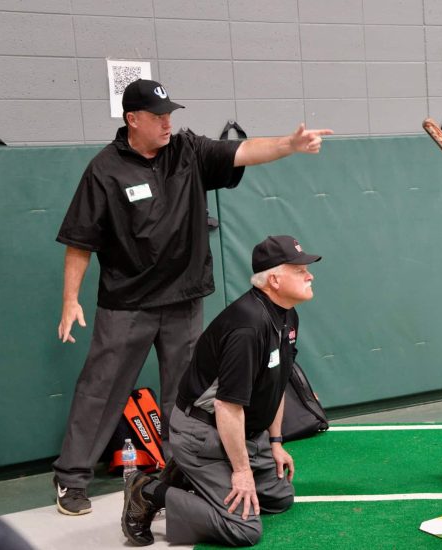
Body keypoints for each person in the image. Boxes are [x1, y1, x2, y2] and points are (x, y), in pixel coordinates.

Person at [53, 78, 333, 516]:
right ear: (132, 119)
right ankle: (71, 481)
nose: (168, 123)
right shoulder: (104, 170)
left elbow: (244, 152)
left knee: (185, 398)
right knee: (101, 390)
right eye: (158, 117)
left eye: (170, 115)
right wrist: (71, 300)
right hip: (126, 305)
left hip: (184, 301)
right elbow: (79, 242)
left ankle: (177, 478)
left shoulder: (188, 151)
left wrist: (290, 145)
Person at [120, 235, 320, 547]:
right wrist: (241, 472)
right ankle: (146, 490)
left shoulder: (286, 314)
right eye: (300, 270)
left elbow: (277, 384)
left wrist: (277, 441)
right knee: (244, 530)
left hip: (245, 432)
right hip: (204, 432)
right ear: (275, 279)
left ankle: (188, 475)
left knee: (279, 498)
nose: (310, 275)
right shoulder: (247, 327)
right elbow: (227, 407)